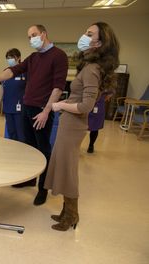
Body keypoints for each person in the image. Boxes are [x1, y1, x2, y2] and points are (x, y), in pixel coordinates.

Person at [0, 25, 68, 205]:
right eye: (29, 37)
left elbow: (58, 87)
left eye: (34, 35)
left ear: (44, 34)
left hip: (41, 110)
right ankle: (30, 179)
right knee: (29, 148)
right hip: (27, 107)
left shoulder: (59, 56)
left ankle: (43, 189)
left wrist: (46, 111)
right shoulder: (33, 57)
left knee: (43, 149)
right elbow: (13, 70)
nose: (31, 39)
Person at [45, 22, 120, 231]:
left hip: (74, 124)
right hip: (69, 122)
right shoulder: (89, 66)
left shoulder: (92, 69)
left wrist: (60, 104)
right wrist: (65, 105)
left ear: (100, 42)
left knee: (68, 170)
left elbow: (86, 105)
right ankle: (65, 211)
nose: (84, 36)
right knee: (63, 166)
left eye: (89, 34)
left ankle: (72, 215)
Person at [0, 48, 26, 142]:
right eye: (8, 58)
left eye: (12, 57)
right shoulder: (6, 71)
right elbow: (2, 88)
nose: (10, 60)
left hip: (20, 108)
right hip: (8, 106)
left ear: (19, 58)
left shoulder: (25, 71)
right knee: (11, 132)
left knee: (21, 133)